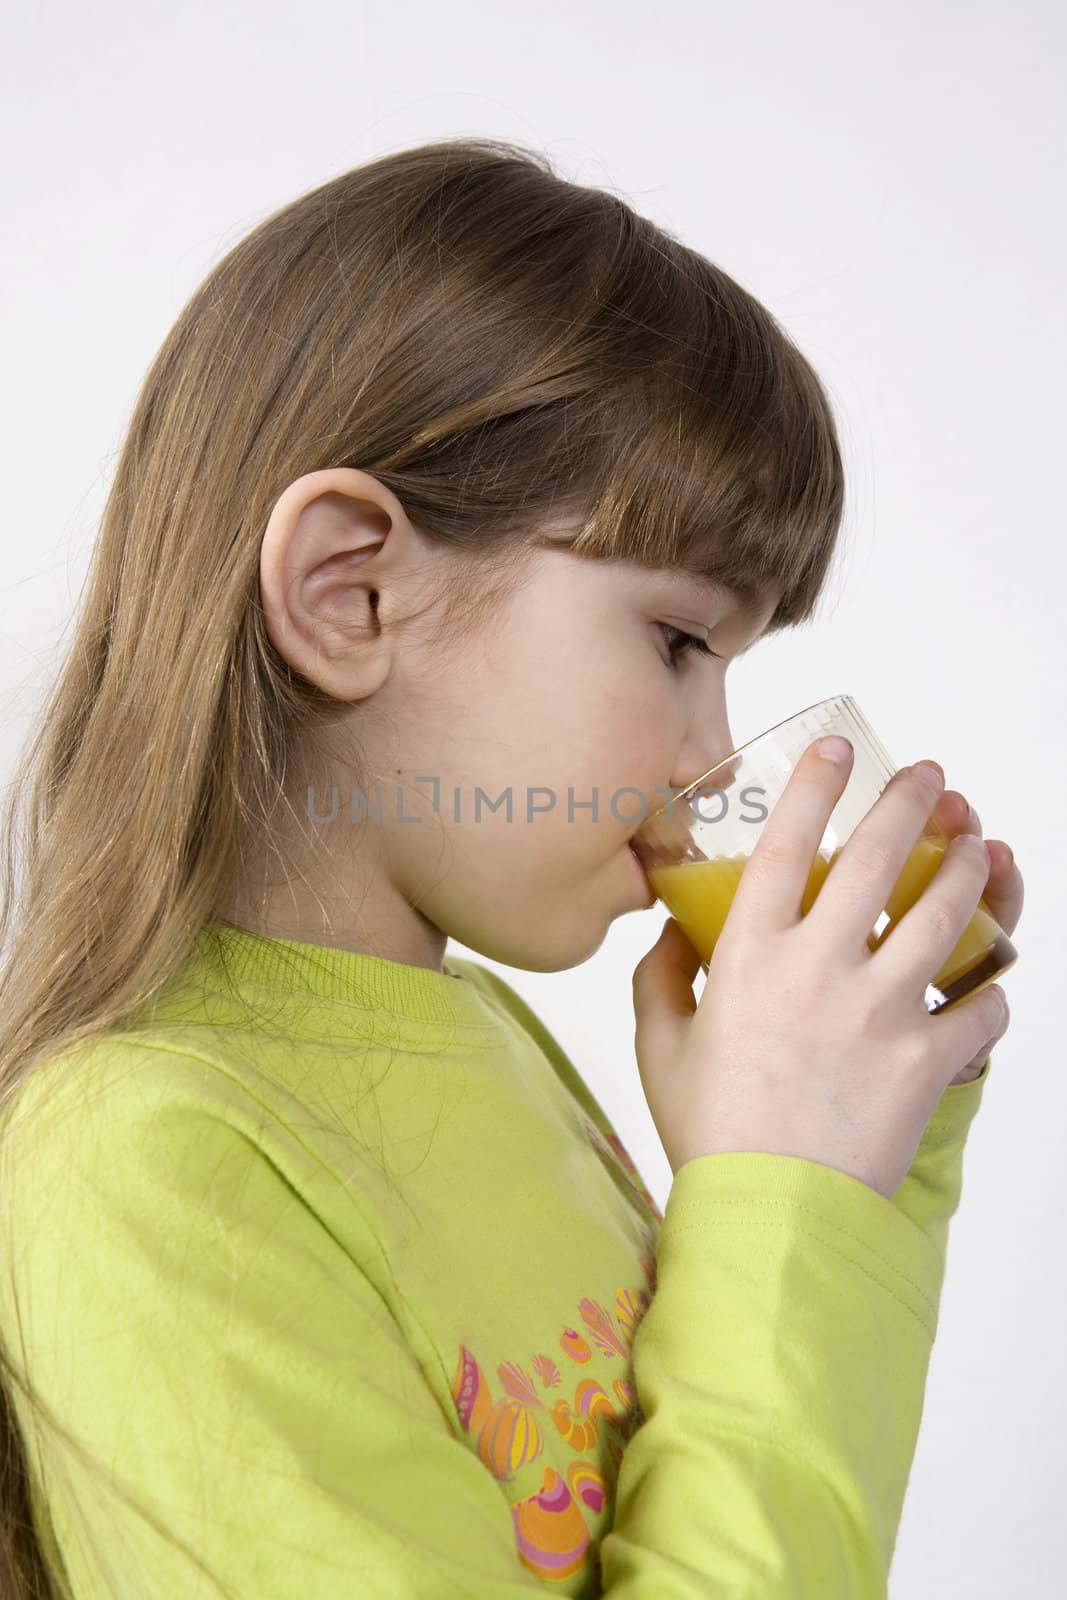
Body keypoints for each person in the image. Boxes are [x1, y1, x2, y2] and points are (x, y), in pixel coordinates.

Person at [0, 137, 1024, 1599]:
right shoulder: (147, 1160)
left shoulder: (472, 1035)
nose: (706, 757)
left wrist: (867, 1154)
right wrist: (781, 1186)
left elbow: (792, 1508)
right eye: (678, 643)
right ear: (350, 592)